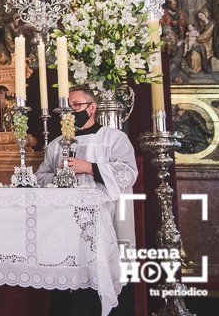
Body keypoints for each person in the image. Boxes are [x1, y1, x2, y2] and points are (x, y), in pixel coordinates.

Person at [36, 88, 137, 316]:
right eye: (67, 108)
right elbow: (41, 178)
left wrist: (89, 167)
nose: (70, 112)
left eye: (76, 106)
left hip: (107, 222)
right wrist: (60, 177)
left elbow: (128, 173)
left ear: (92, 107)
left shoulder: (114, 139)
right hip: (66, 226)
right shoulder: (55, 145)